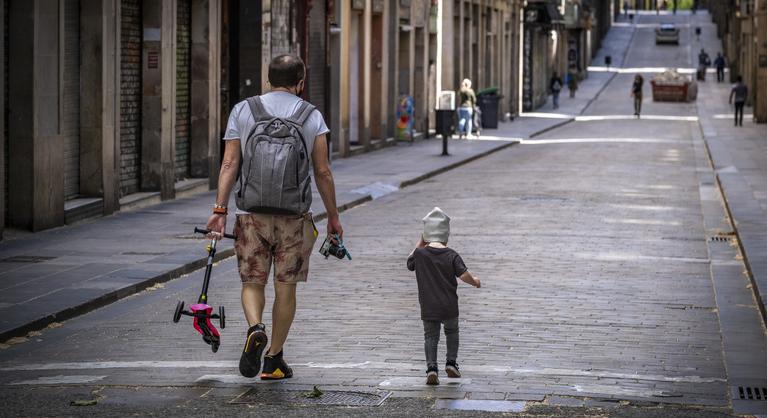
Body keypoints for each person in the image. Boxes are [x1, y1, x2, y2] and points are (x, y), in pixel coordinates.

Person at [206, 54, 344, 380]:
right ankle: (273, 359)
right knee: (286, 287)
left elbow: (229, 165)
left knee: (252, 281)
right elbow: (322, 171)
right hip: (295, 217)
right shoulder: (311, 116)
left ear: (268, 79)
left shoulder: (244, 110)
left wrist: (219, 211)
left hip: (250, 214)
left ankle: (255, 328)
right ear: (301, 83)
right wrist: (334, 217)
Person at [407, 207, 481, 386]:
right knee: (452, 332)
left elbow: (409, 263)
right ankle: (451, 363)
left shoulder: (420, 254)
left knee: (430, 336)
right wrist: (475, 281)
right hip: (449, 305)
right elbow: (464, 275)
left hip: (428, 306)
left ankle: (432, 368)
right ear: (446, 233)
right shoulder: (451, 255)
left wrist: (420, 241)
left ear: (426, 234)